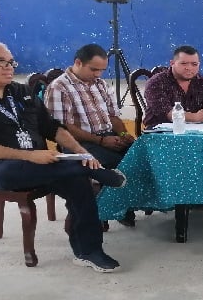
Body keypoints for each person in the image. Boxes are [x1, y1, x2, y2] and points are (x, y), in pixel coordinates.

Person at [0, 41, 126, 273]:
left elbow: (54, 129)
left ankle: (88, 251)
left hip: (41, 164)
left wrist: (83, 153)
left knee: (77, 181)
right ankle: (89, 170)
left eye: (11, 62)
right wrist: (31, 156)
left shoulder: (21, 93)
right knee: (10, 172)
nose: (8, 67)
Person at [44, 43, 136, 226]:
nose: (97, 74)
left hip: (107, 137)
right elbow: (63, 129)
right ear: (78, 62)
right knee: (115, 163)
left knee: (139, 155)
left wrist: (124, 134)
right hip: (77, 144)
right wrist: (102, 141)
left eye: (101, 70)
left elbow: (113, 116)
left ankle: (122, 205)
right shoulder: (59, 87)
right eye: (94, 69)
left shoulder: (100, 84)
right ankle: (104, 209)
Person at [143, 45, 203, 129]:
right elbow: (166, 113)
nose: (189, 68)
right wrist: (194, 117)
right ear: (172, 63)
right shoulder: (156, 83)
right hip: (160, 132)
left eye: (194, 64)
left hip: (197, 132)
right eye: (183, 63)